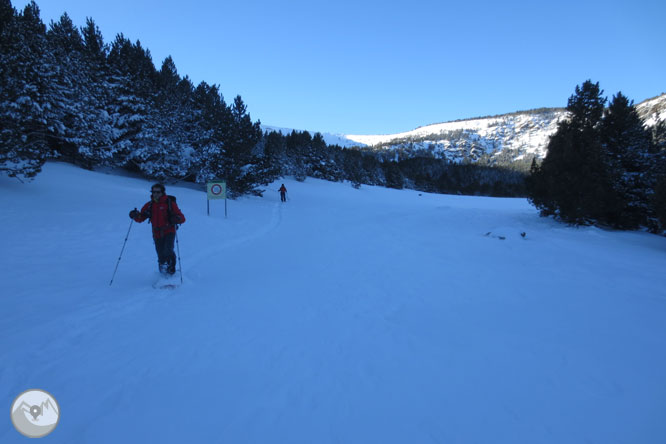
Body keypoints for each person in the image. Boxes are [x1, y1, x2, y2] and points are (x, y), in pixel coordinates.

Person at [129, 184, 186, 275]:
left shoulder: (170, 204)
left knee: (168, 250)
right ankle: (163, 271)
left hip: (169, 231)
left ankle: (171, 270)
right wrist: (135, 215)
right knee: (160, 254)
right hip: (156, 232)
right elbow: (141, 218)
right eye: (153, 192)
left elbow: (182, 218)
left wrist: (177, 219)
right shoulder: (150, 205)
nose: (155, 194)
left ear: (163, 192)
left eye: (158, 192)